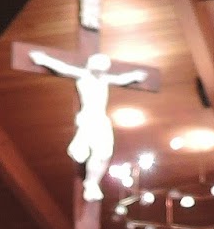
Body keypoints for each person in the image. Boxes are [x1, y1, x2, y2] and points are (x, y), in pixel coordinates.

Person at [26, 51, 149, 202]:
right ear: (91, 63)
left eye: (104, 64)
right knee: (91, 152)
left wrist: (135, 76)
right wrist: (43, 60)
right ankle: (91, 183)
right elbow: (62, 67)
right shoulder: (83, 75)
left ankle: (92, 182)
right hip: (88, 118)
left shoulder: (104, 79)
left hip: (101, 119)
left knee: (104, 153)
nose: (102, 67)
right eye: (99, 63)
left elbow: (121, 79)